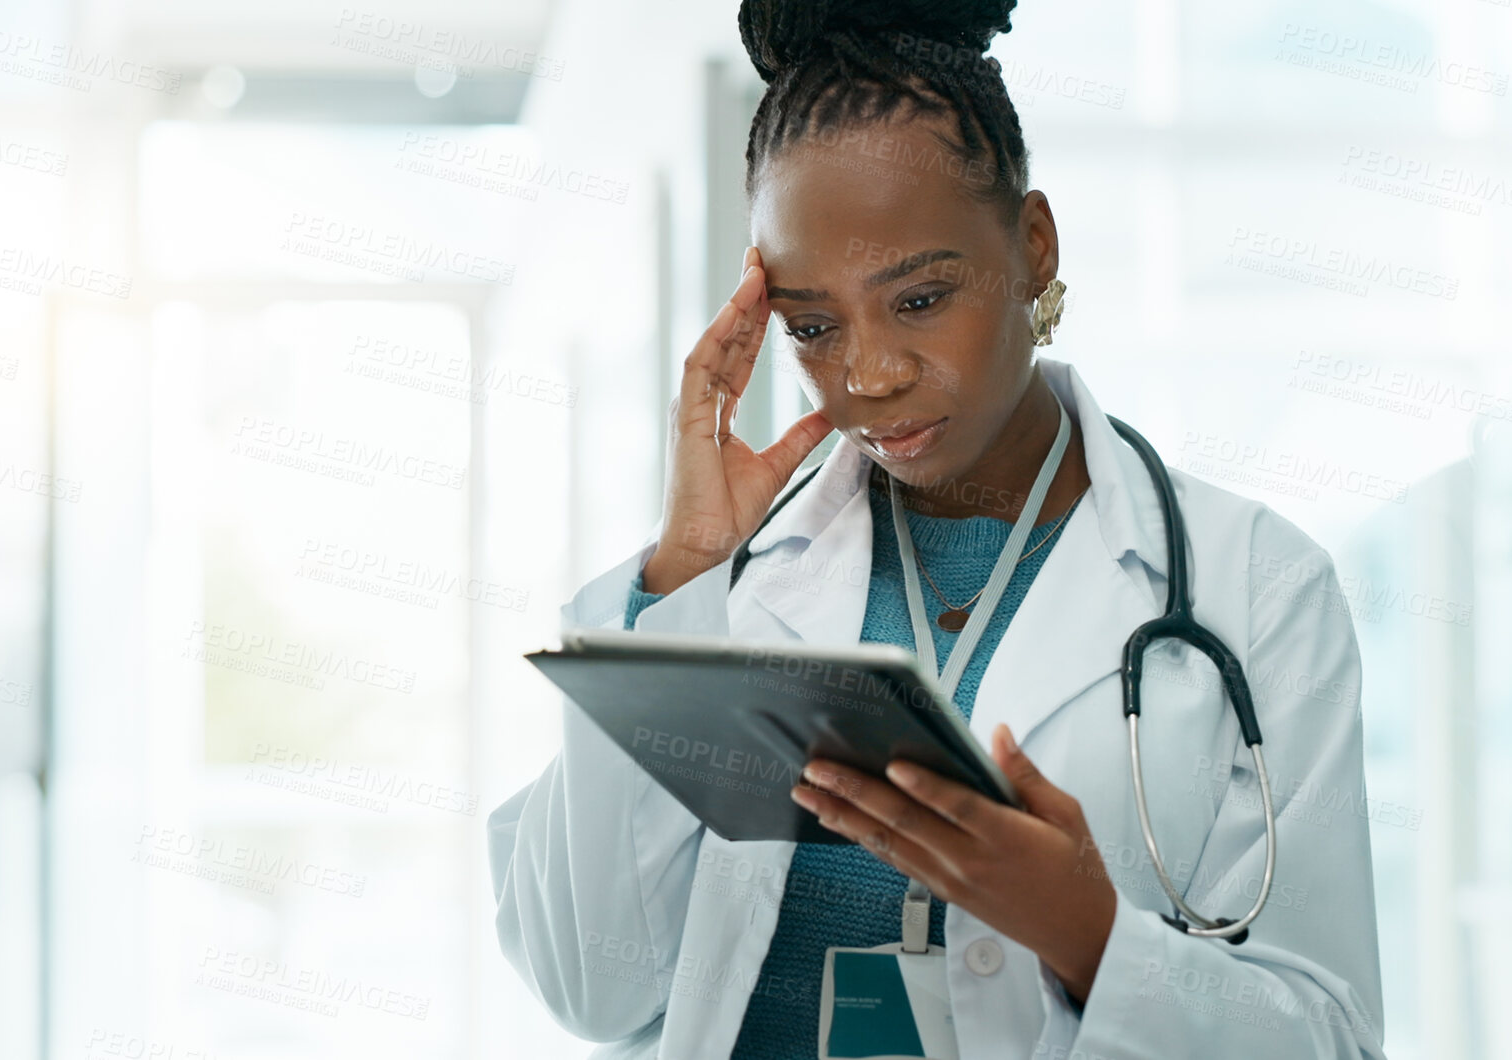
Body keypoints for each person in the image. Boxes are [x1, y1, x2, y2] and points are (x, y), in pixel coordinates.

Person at [488, 2, 1386, 1057]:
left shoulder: (1256, 588)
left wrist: (1091, 936)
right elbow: (591, 988)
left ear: (1033, 246)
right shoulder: (735, 581)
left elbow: (1329, 1036)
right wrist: (684, 570)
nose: (869, 374)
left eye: (919, 298)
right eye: (815, 326)